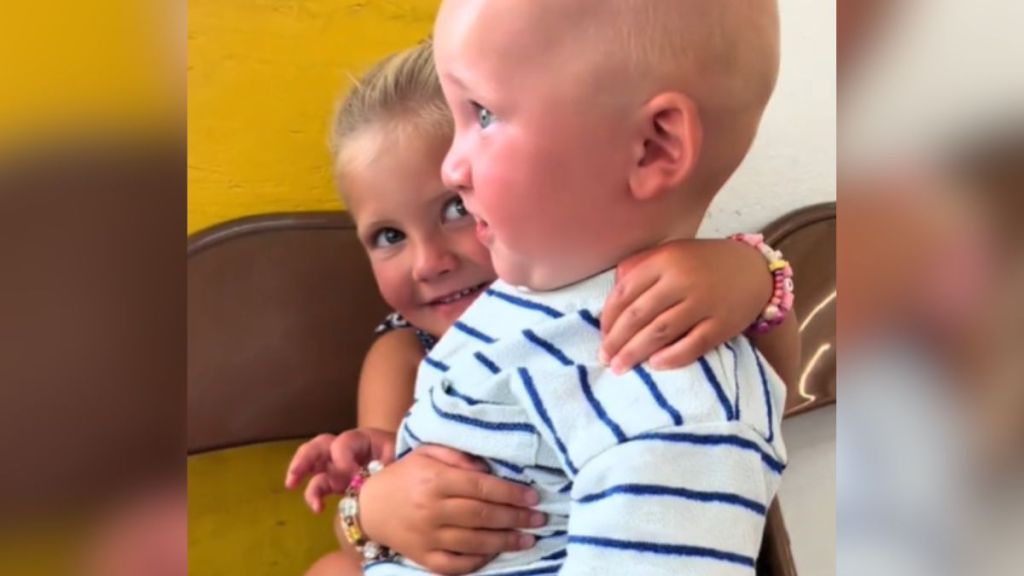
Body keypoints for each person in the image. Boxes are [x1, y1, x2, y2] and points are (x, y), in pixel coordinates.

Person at [289, 19, 797, 574]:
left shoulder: (648, 315)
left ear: (653, 146)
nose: (430, 261)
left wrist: (756, 275)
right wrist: (372, 504)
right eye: (389, 237)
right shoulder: (417, 348)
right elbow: (363, 532)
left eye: (482, 118)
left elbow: (758, 395)